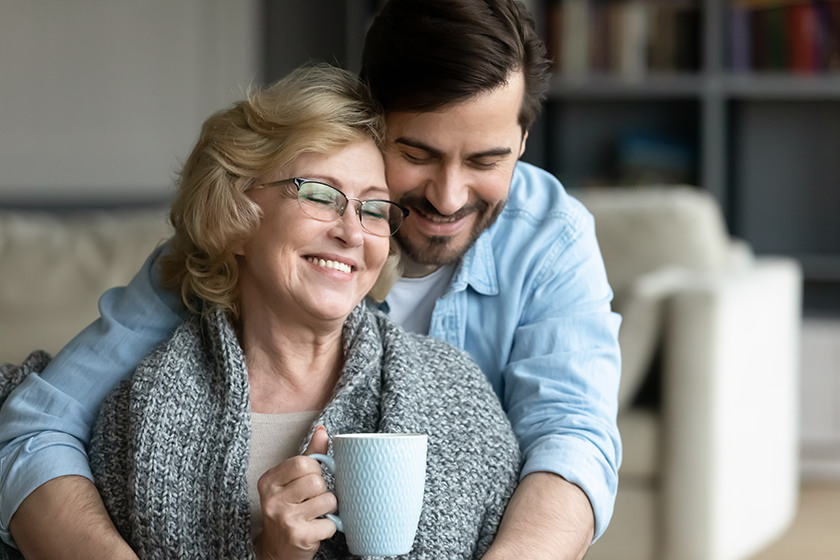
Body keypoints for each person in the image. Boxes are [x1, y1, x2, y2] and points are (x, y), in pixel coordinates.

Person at [0, 1, 622, 559]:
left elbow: (572, 441)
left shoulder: (551, 238)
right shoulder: (236, 244)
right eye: (419, 154)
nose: (448, 196)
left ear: (522, 141)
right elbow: (38, 424)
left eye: (487, 160)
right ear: (369, 120)